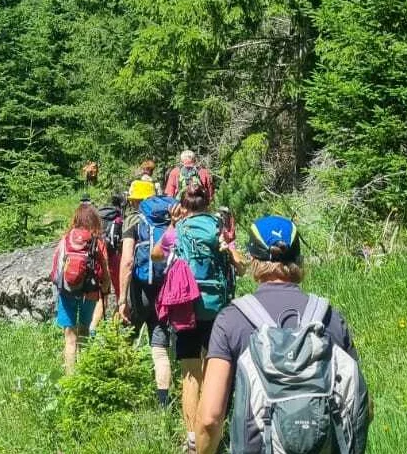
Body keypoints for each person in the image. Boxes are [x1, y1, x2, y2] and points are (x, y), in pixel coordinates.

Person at [195, 216, 371, 454]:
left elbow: (210, 418)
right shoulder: (329, 318)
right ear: (298, 259)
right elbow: (363, 405)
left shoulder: (232, 320)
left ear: (253, 259)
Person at [153, 184, 233, 453]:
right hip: (215, 306)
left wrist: (172, 224)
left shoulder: (178, 229)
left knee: (190, 373)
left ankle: (191, 437)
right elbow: (237, 262)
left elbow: (156, 255)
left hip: (185, 306)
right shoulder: (218, 226)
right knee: (213, 370)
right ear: (208, 203)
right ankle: (213, 432)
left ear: (183, 206)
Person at [118, 179, 175, 408]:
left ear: (135, 200)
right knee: (160, 349)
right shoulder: (170, 219)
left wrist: (122, 300)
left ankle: (122, 395)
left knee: (125, 340)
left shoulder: (133, 220)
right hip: (165, 291)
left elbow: (127, 261)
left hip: (139, 291)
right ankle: (163, 405)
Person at [50, 202, 112, 374]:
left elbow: (55, 270)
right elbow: (105, 269)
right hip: (90, 292)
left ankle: (70, 378)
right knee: (84, 333)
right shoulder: (97, 241)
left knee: (69, 337)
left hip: (67, 291)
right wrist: (105, 287)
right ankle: (84, 376)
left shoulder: (66, 239)